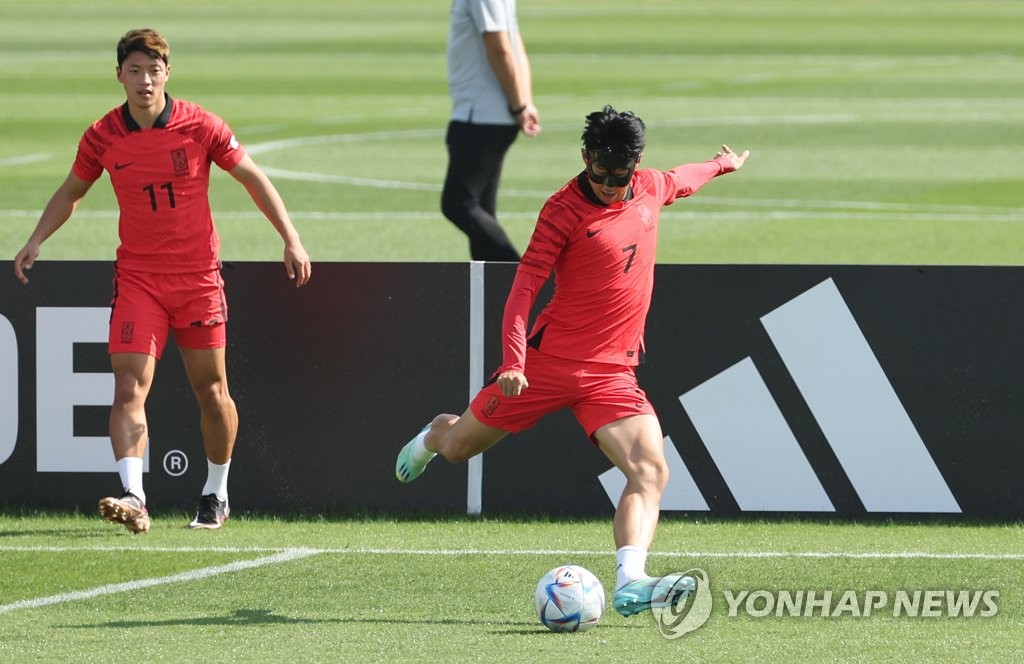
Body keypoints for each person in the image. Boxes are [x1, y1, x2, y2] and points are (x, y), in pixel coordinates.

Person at [397, 105, 749, 616]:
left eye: (619, 175)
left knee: (650, 471)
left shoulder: (648, 186)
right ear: (585, 157)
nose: (609, 183)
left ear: (636, 163)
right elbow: (523, 288)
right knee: (458, 449)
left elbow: (679, 180)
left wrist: (720, 166)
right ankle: (434, 433)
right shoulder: (561, 210)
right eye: (599, 173)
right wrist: (513, 361)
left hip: (611, 373)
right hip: (544, 366)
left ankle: (632, 580)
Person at [12, 28, 312, 533]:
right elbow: (72, 191)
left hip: (197, 279)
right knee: (128, 386)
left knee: (212, 389)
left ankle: (215, 493)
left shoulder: (201, 125)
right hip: (139, 280)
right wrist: (36, 238)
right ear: (119, 76)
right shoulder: (103, 135)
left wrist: (291, 237)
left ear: (167, 73)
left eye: (154, 71)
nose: (145, 81)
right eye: (134, 71)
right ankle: (134, 495)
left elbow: (253, 178)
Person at [441, 0, 542, 262]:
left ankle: (520, 277)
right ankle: (491, 295)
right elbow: (514, 43)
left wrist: (520, 105)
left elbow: (500, 48)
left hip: (481, 115)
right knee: (482, 210)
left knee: (458, 203)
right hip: (492, 113)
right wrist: (524, 101)